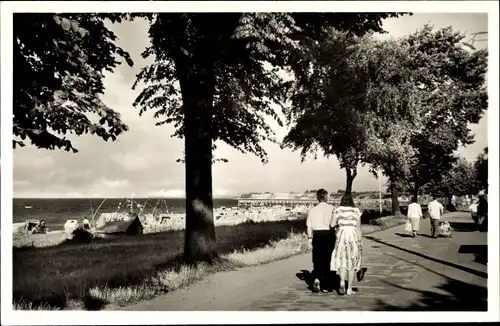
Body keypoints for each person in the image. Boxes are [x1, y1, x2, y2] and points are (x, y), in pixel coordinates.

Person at [330, 194, 363, 296]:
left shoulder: (337, 210)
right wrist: (360, 242)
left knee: (343, 260)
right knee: (352, 263)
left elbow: (331, 225)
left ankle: (341, 282)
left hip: (341, 237)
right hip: (353, 236)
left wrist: (339, 224)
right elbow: (358, 227)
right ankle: (349, 289)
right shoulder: (356, 211)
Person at [306, 188, 335, 293]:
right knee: (328, 259)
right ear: (326, 196)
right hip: (328, 234)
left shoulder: (312, 210)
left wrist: (309, 239)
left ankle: (317, 278)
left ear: (317, 197)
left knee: (317, 259)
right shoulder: (332, 208)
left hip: (317, 235)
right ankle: (326, 285)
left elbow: (309, 227)